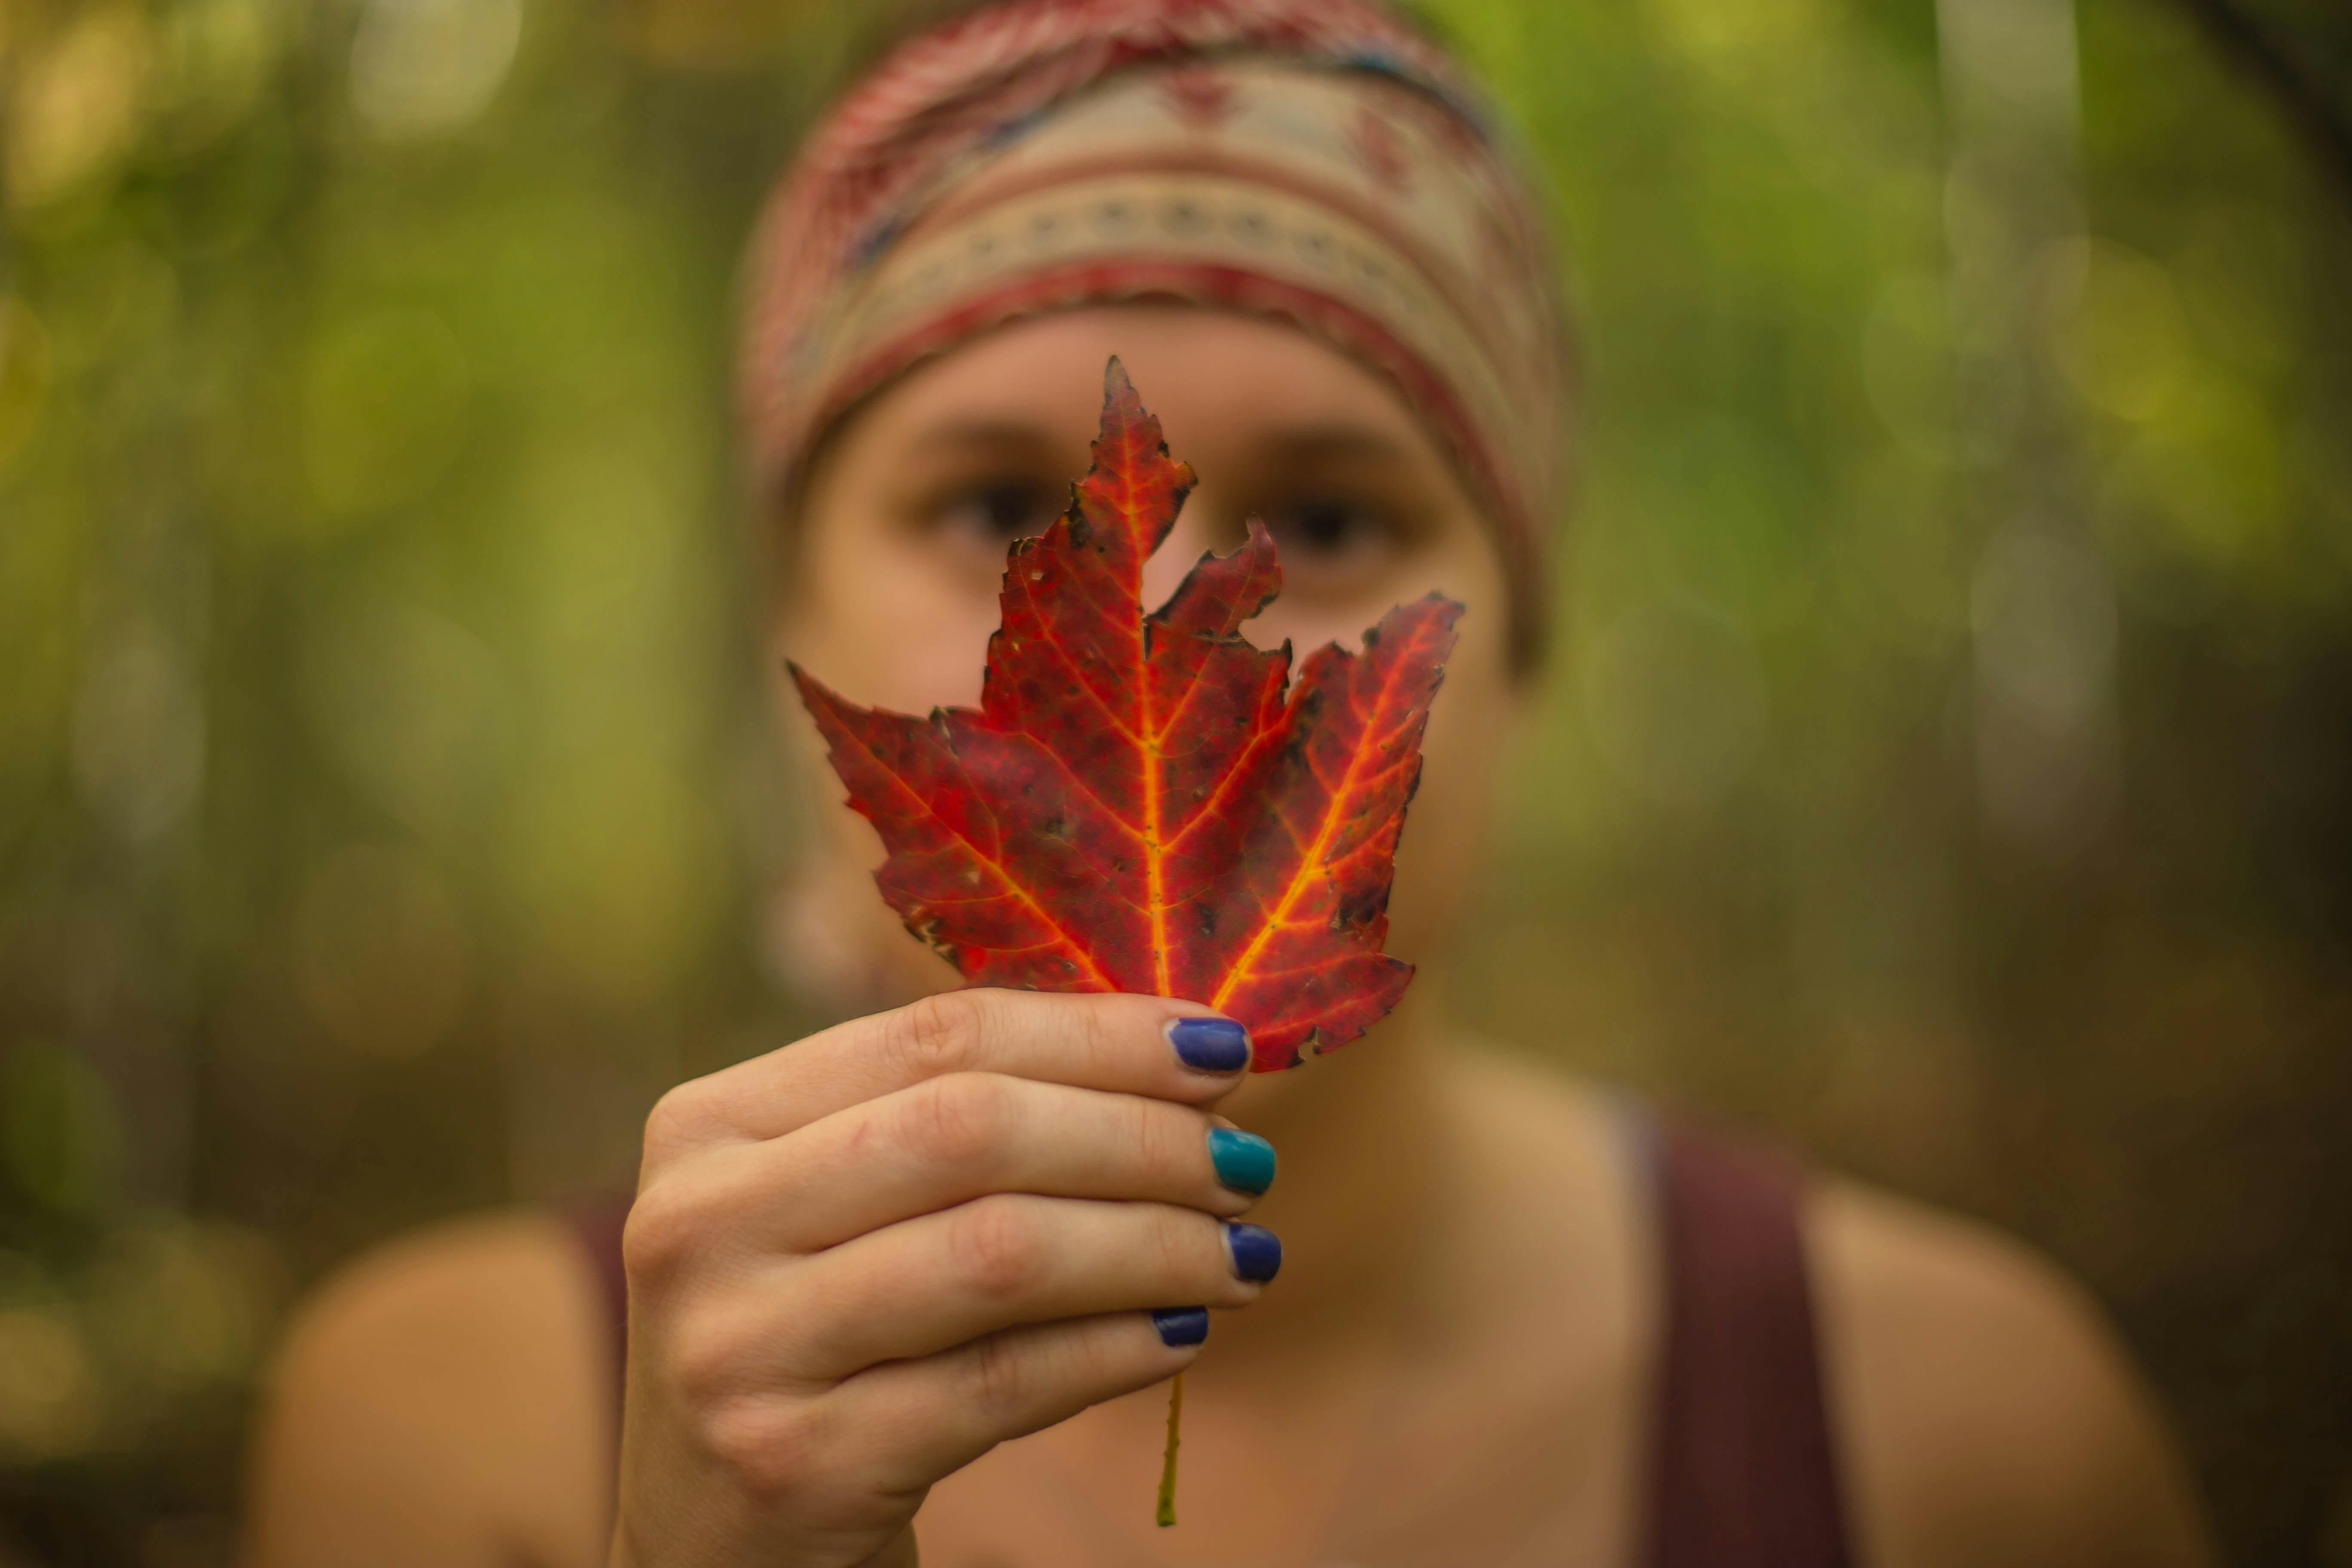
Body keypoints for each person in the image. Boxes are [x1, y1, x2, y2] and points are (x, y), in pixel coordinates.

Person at [239, 3, 2216, 1565]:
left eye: (1334, 514)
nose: (1174, 623)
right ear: (786, 624)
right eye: (1000, 504)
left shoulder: (1974, 1443)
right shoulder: (443, 1434)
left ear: (1522, 655)